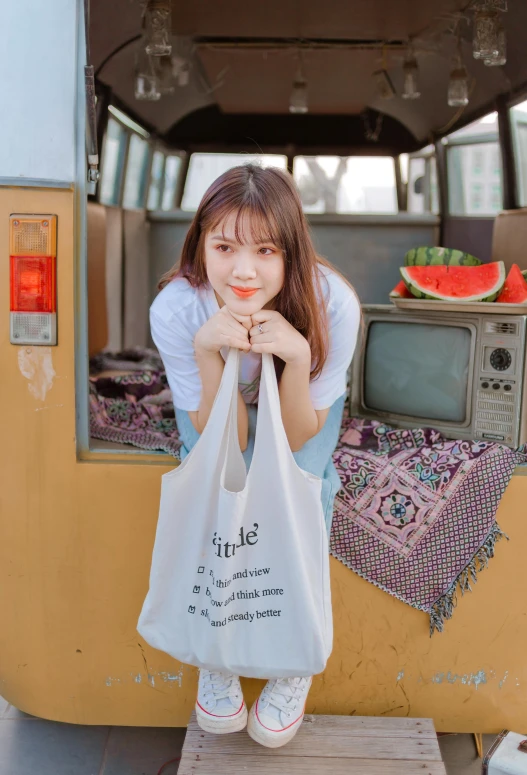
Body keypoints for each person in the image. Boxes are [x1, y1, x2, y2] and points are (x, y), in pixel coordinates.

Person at [150, 163, 362, 748]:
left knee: (307, 487)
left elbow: (296, 436)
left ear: (292, 251)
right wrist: (207, 350)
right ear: (201, 247)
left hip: (302, 404)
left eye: (265, 249)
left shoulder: (334, 303)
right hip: (220, 396)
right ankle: (215, 649)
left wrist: (296, 357)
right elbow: (231, 438)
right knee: (218, 481)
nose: (243, 270)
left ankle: (294, 661)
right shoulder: (176, 310)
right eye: (223, 246)